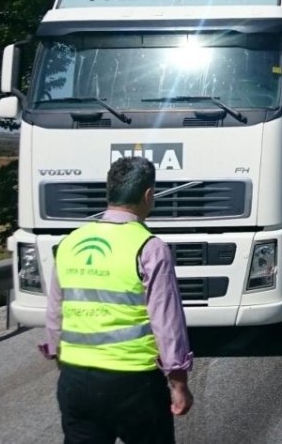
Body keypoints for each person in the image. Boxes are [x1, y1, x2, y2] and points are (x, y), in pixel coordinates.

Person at [41, 156, 194, 444]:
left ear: (109, 190)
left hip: (75, 380)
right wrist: (178, 382)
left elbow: (55, 312)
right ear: (148, 195)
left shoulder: (71, 241)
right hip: (133, 383)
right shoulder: (149, 248)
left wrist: (62, 359)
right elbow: (167, 323)